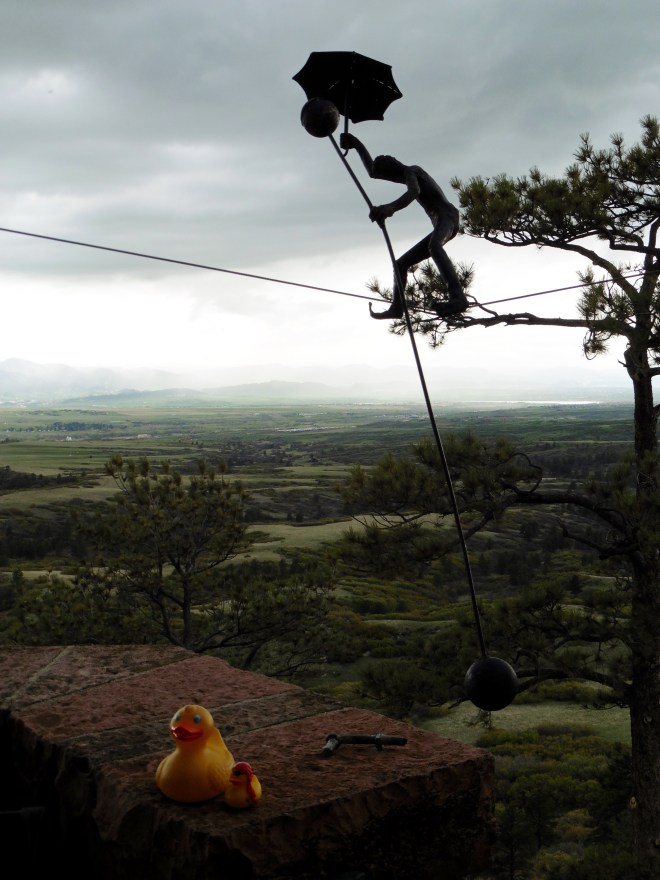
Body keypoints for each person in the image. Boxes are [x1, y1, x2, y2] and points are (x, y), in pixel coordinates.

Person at [340, 132, 467, 320]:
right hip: (440, 221)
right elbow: (373, 172)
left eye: (389, 174)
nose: (389, 178)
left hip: (447, 216)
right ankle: (397, 307)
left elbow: (414, 191)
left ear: (395, 165)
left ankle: (458, 297)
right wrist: (357, 145)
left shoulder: (412, 171)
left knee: (434, 246)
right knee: (400, 264)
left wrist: (389, 208)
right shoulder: (403, 174)